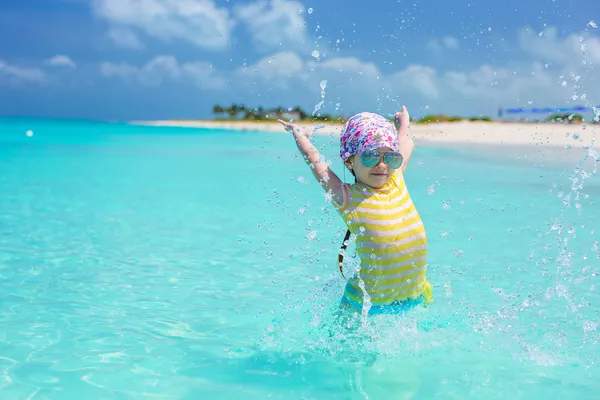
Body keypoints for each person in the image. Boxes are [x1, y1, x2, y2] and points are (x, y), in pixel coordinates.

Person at [278, 107, 432, 316]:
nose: (382, 165)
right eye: (370, 156)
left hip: (412, 293)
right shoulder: (347, 198)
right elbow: (315, 162)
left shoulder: (397, 179)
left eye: (390, 157)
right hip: (365, 303)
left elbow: (405, 141)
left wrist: (403, 124)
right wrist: (299, 135)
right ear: (349, 160)